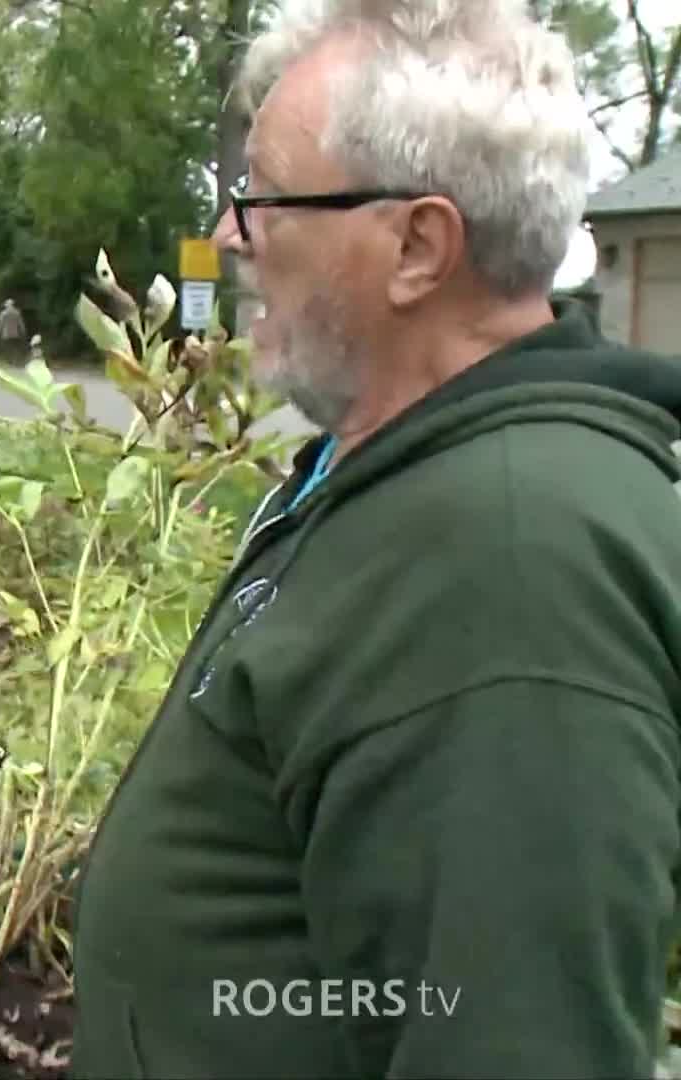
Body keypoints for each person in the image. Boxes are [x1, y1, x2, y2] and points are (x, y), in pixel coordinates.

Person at [69, 1, 681, 1077]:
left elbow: (513, 1041)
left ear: (416, 245)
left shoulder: (508, 563)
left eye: (262, 200)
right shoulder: (397, 464)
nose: (227, 239)